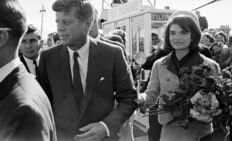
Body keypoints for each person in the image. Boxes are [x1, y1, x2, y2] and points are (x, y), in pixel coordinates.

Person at [37, 0, 138, 141]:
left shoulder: (112, 54)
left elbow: (129, 98)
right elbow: (42, 103)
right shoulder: (47, 57)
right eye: (57, 22)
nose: (59, 28)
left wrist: (105, 126)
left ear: (87, 23)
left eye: (66, 22)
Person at [139, 10, 220, 141]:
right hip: (169, 132)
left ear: (193, 36)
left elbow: (216, 102)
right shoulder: (159, 65)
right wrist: (138, 99)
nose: (177, 37)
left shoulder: (209, 65)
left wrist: (204, 109)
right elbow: (151, 95)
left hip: (200, 133)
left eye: (183, 32)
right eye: (172, 33)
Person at [0, 0, 57, 141]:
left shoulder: (22, 109)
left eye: (32, 41)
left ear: (1, 38)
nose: (29, 46)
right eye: (25, 42)